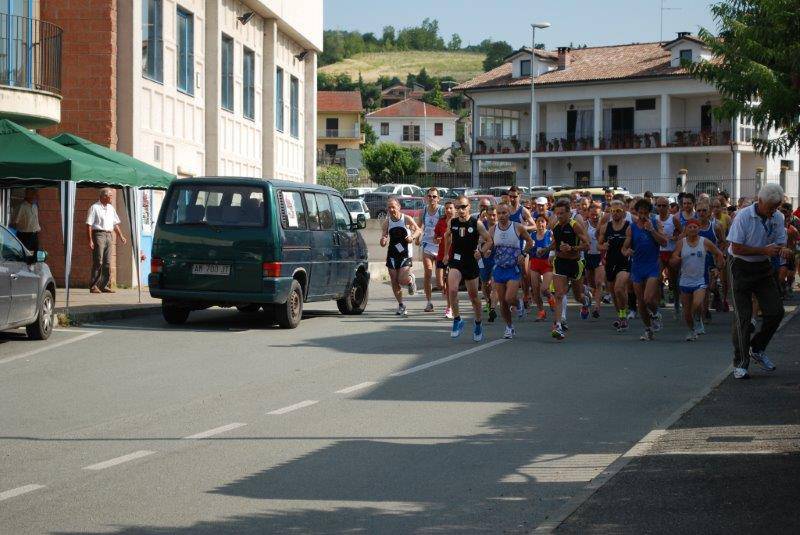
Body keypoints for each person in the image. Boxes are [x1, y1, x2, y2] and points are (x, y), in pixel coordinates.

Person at [726, 184, 790, 380]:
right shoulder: (743, 216)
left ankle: (758, 347)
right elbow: (736, 248)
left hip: (763, 268)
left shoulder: (777, 217)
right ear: (760, 201)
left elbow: (779, 242)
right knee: (743, 318)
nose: (773, 212)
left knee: (776, 311)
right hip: (740, 266)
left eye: (776, 208)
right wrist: (764, 250)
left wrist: (782, 252)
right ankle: (740, 363)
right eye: (770, 207)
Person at [443, 196, 493, 341]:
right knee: (452, 289)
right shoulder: (452, 222)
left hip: (471, 261)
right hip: (456, 260)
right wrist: (446, 254)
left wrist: (481, 252)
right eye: (458, 207)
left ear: (469, 207)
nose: (460, 210)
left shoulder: (476, 224)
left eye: (463, 207)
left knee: (474, 298)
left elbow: (489, 240)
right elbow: (447, 237)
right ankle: (457, 319)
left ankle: (478, 323)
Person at [671, 219, 725, 341]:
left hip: (700, 280)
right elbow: (674, 256)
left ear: (699, 229)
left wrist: (718, 268)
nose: (692, 229)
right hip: (684, 280)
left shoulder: (705, 242)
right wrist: (675, 259)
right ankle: (692, 330)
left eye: (695, 227)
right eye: (690, 227)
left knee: (696, 304)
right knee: (687, 312)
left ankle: (697, 318)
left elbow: (719, 254)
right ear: (686, 229)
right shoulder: (681, 243)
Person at [623, 198, 668, 341]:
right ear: (636, 212)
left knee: (648, 298)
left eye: (645, 213)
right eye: (640, 213)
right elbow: (624, 248)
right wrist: (627, 251)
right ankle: (648, 329)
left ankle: (656, 314)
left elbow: (664, 242)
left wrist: (652, 230)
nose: (642, 216)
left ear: (649, 212)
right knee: (640, 302)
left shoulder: (656, 223)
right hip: (637, 267)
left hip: (652, 266)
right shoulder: (632, 227)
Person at [548, 199, 591, 340]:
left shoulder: (575, 226)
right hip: (560, 262)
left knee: (578, 296)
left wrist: (572, 248)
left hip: (574, 263)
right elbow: (555, 242)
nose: (559, 216)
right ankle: (558, 326)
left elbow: (587, 245)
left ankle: (585, 302)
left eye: (562, 213)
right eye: (557, 213)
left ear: (568, 213)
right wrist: (546, 249)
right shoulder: (555, 225)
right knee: (559, 294)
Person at [489, 202, 533, 338]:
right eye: (499, 213)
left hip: (513, 268)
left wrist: (523, 254)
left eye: (504, 213)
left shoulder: (517, 227)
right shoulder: (493, 230)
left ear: (509, 214)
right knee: (502, 302)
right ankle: (509, 327)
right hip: (499, 269)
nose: (501, 216)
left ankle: (518, 303)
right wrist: (484, 251)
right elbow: (487, 243)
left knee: (509, 298)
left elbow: (530, 242)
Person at [380, 198, 421, 316]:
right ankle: (401, 305)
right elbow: (383, 239)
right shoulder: (387, 222)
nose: (391, 209)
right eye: (389, 207)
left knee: (401, 279)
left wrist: (412, 237)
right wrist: (383, 240)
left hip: (405, 254)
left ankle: (410, 280)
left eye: (393, 207)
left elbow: (418, 230)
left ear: (398, 207)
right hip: (392, 253)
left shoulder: (406, 219)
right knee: (393, 280)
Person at [599, 200, 632, 331]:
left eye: (618, 211)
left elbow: (634, 243)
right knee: (613, 292)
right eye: (613, 211)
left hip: (624, 261)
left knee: (619, 288)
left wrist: (631, 250)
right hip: (610, 262)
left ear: (624, 212)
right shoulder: (605, 227)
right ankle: (621, 316)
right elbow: (598, 245)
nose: (615, 213)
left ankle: (624, 315)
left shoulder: (629, 226)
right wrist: (603, 246)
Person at [87, 188, 127, 294]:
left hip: (109, 235)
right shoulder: (94, 207)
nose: (112, 197)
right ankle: (94, 286)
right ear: (104, 196)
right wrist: (90, 240)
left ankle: (104, 285)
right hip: (98, 234)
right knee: (98, 260)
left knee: (107, 262)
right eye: (110, 195)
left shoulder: (111, 208)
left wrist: (121, 236)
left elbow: (115, 224)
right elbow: (89, 224)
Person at [419, 187, 444, 313]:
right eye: (429, 196)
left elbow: (447, 225)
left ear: (438, 198)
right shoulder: (423, 211)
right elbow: (419, 227)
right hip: (427, 245)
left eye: (434, 196)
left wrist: (441, 237)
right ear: (426, 198)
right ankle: (429, 302)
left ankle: (449, 302)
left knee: (440, 283)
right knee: (428, 272)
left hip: (440, 247)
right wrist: (416, 236)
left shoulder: (442, 210)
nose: (432, 199)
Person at [655, 196, 680, 317]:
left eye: (664, 206)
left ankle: (676, 303)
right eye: (659, 205)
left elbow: (682, 232)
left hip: (671, 251)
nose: (661, 208)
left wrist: (675, 238)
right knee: (657, 277)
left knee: (673, 280)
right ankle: (660, 298)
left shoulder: (673, 219)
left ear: (668, 207)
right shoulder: (654, 219)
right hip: (659, 252)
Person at [529, 215, 555, 321]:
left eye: (543, 221)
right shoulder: (532, 235)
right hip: (535, 263)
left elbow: (555, 246)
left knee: (544, 289)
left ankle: (551, 298)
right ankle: (541, 312)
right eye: (538, 221)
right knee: (535, 290)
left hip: (546, 263)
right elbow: (528, 248)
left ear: (546, 223)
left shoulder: (550, 234)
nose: (540, 224)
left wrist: (550, 254)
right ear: (535, 223)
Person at [434, 200, 455, 319]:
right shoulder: (441, 222)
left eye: (450, 208)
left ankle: (449, 308)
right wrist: (436, 239)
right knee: (440, 284)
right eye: (446, 208)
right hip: (441, 256)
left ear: (454, 209)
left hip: (453, 257)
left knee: (450, 284)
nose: (448, 210)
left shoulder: (458, 222)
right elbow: (435, 237)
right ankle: (446, 291)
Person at [479, 206, 498, 322]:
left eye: (494, 215)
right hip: (483, 258)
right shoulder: (482, 225)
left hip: (497, 258)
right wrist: (484, 249)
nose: (492, 217)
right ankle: (487, 301)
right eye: (489, 215)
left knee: (495, 283)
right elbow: (478, 240)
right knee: (485, 283)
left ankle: (492, 309)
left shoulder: (500, 226)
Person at [584, 204, 604, 318]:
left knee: (599, 282)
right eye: (592, 214)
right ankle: (592, 297)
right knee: (592, 284)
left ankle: (597, 308)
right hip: (588, 256)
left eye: (596, 214)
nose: (594, 217)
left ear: (600, 214)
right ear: (588, 214)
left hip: (600, 256)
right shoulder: (585, 225)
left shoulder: (604, 225)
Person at [13, 187, 40, 252]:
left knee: (34, 257)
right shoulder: (21, 207)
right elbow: (14, 222)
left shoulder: (35, 206)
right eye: (33, 193)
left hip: (35, 235)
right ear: (27, 194)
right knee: (25, 256)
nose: (35, 195)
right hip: (25, 236)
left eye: (35, 193)